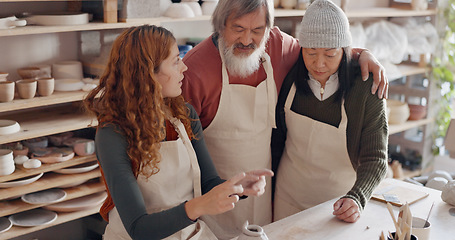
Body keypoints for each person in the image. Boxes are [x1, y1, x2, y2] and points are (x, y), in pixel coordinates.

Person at [181, 0, 388, 238]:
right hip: (216, 197)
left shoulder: (278, 47)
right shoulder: (194, 71)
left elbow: (324, 46)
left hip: (275, 198)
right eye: (238, 29)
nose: (248, 40)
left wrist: (364, 54)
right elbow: (181, 156)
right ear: (219, 25)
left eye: (257, 30)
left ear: (269, 29)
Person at [84, 25, 273, 240]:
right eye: (175, 61)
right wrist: (199, 206)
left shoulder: (183, 114)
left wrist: (238, 186)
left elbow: (208, 182)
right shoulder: (113, 133)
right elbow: (139, 229)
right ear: (148, 73)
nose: (184, 67)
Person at [272, 0, 388, 223]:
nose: (319, 64)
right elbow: (277, 139)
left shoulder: (366, 87)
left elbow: (376, 159)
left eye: (330, 54)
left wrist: (357, 197)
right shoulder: (290, 79)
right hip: (288, 197)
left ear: (345, 51)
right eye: (311, 53)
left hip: (338, 205)